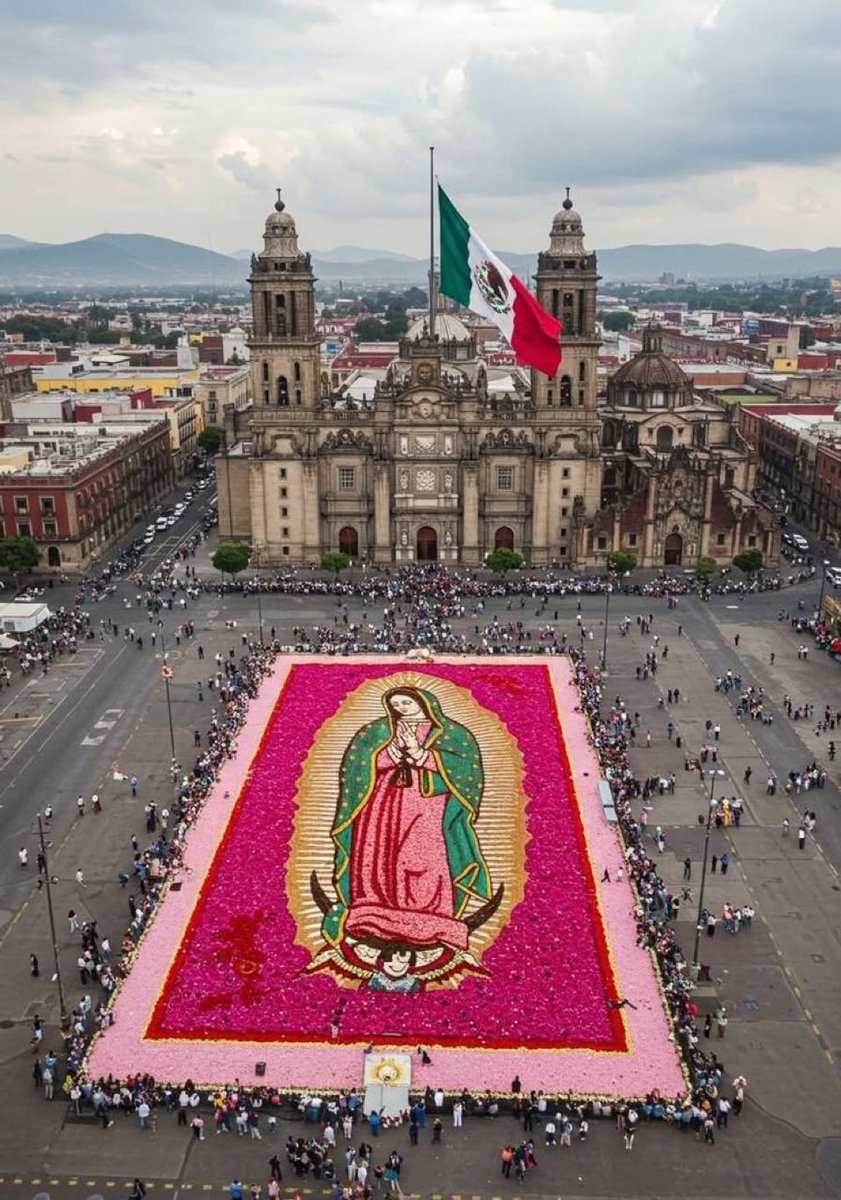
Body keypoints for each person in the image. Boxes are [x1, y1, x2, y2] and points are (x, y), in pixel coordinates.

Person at [314, 687, 496, 984]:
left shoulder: (453, 734)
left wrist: (423, 756)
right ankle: (373, 907)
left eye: (406, 701)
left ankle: (428, 913)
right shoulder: (376, 730)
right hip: (381, 805)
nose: (401, 707)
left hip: (427, 804)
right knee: (379, 854)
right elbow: (356, 765)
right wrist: (389, 754)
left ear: (424, 702)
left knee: (422, 857)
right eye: (396, 703)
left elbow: (467, 772)